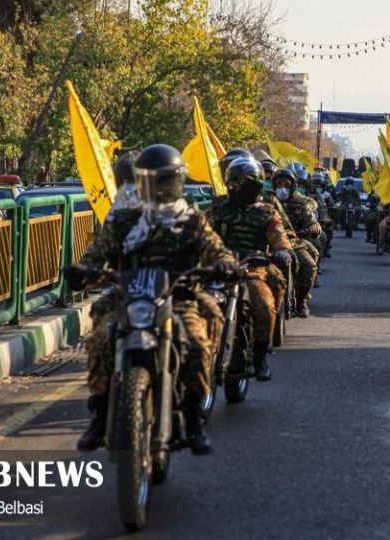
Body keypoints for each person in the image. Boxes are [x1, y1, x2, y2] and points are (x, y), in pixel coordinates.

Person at [66, 144, 238, 455]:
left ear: (177, 183)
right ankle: (100, 413)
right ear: (142, 182)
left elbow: (217, 250)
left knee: (200, 339)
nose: (160, 189)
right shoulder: (124, 221)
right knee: (101, 337)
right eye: (153, 181)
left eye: (166, 181)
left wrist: (225, 264)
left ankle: (194, 414)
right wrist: (84, 268)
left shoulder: (193, 221)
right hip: (129, 298)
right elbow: (99, 251)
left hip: (179, 297)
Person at [206, 157, 290, 380]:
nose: (243, 190)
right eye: (239, 185)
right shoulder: (217, 208)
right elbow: (200, 234)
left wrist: (281, 251)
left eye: (249, 186)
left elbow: (279, 237)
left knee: (263, 305)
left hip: (251, 271)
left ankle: (260, 356)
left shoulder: (267, 212)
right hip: (217, 271)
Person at [272, 168, 322, 317]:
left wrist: (315, 227)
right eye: (279, 185)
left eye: (285, 185)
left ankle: (300, 302)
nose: (282, 188)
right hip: (270, 242)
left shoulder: (301, 204)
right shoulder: (266, 201)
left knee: (309, 265)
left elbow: (312, 221)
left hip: (294, 242)